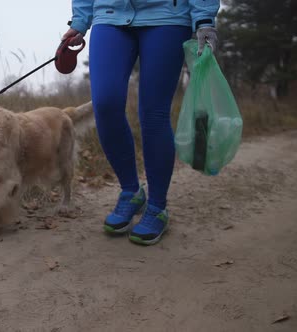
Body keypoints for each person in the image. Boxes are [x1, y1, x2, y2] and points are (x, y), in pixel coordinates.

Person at [62, 0, 220, 245]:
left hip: (168, 14)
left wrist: (204, 19)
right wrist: (80, 20)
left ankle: (157, 206)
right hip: (110, 14)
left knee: (154, 113)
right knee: (105, 104)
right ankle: (131, 191)